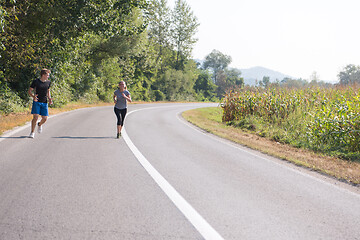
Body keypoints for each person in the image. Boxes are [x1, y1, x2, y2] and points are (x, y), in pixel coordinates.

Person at [28, 69, 53, 138]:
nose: (48, 76)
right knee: (35, 117)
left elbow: (48, 91)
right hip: (37, 102)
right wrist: (33, 96)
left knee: (44, 118)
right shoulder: (36, 82)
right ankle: (32, 132)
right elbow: (29, 91)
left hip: (44, 102)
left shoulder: (48, 82)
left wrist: (50, 98)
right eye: (47, 75)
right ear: (43, 75)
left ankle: (39, 125)